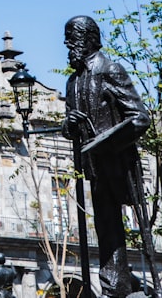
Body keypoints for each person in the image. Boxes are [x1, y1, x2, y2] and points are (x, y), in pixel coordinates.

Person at [62, 16, 151, 298]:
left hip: (118, 161)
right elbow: (68, 127)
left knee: (118, 226)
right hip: (94, 166)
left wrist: (108, 142)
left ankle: (125, 284)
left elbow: (140, 118)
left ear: (89, 39)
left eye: (71, 38)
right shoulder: (72, 82)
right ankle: (116, 285)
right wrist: (69, 125)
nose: (66, 44)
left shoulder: (110, 70)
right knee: (105, 228)